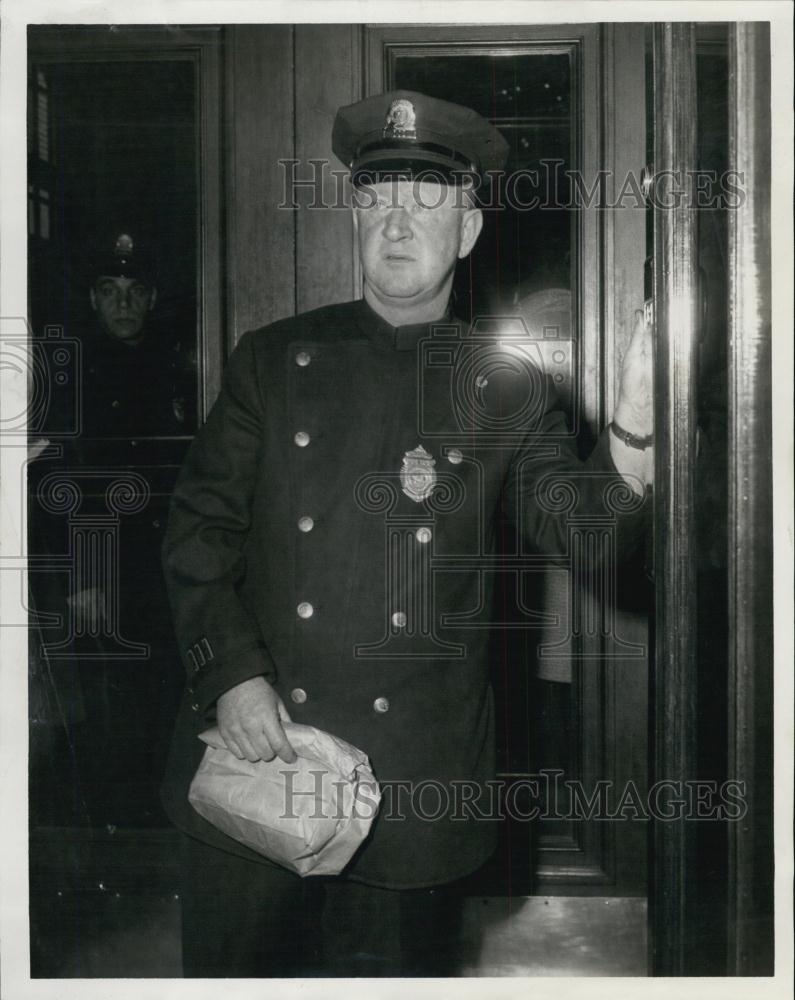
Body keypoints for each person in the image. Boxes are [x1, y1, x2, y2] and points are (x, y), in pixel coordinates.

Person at [160, 90, 654, 977]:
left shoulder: (505, 386)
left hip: (411, 784)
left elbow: (591, 536)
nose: (397, 224)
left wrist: (632, 435)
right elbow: (197, 537)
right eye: (378, 199)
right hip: (260, 750)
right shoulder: (270, 359)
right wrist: (232, 679)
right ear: (354, 215)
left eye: (425, 203)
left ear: (465, 231)